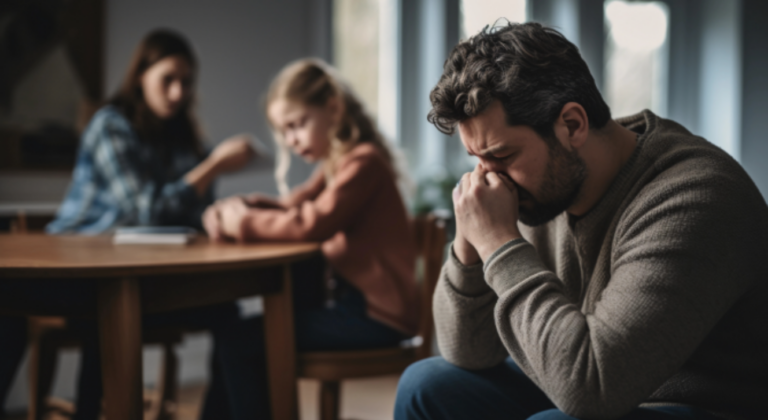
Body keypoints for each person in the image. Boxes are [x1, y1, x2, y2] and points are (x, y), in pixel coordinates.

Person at [394, 22, 767, 420]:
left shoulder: (695, 196)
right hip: (588, 385)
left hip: (703, 405)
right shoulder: (544, 186)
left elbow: (593, 389)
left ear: (572, 125)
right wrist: (470, 244)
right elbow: (469, 352)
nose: (489, 179)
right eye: (477, 159)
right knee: (426, 386)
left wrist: (500, 245)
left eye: (501, 156)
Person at [0, 29, 256, 419]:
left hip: (145, 277)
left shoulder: (185, 137)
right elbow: (146, 211)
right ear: (141, 75)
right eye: (167, 79)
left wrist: (222, 210)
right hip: (75, 273)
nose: (178, 92)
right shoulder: (110, 126)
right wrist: (214, 165)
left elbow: (194, 217)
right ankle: (92, 411)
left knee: (229, 313)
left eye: (186, 82)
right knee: (103, 310)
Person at [202, 58, 420, 417]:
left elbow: (310, 224)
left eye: (297, 124)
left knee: (238, 340)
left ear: (332, 109)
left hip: (376, 317)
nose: (291, 140)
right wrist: (240, 206)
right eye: (284, 131)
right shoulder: (336, 166)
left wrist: (240, 222)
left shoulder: (363, 163)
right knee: (239, 335)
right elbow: (291, 205)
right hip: (353, 307)